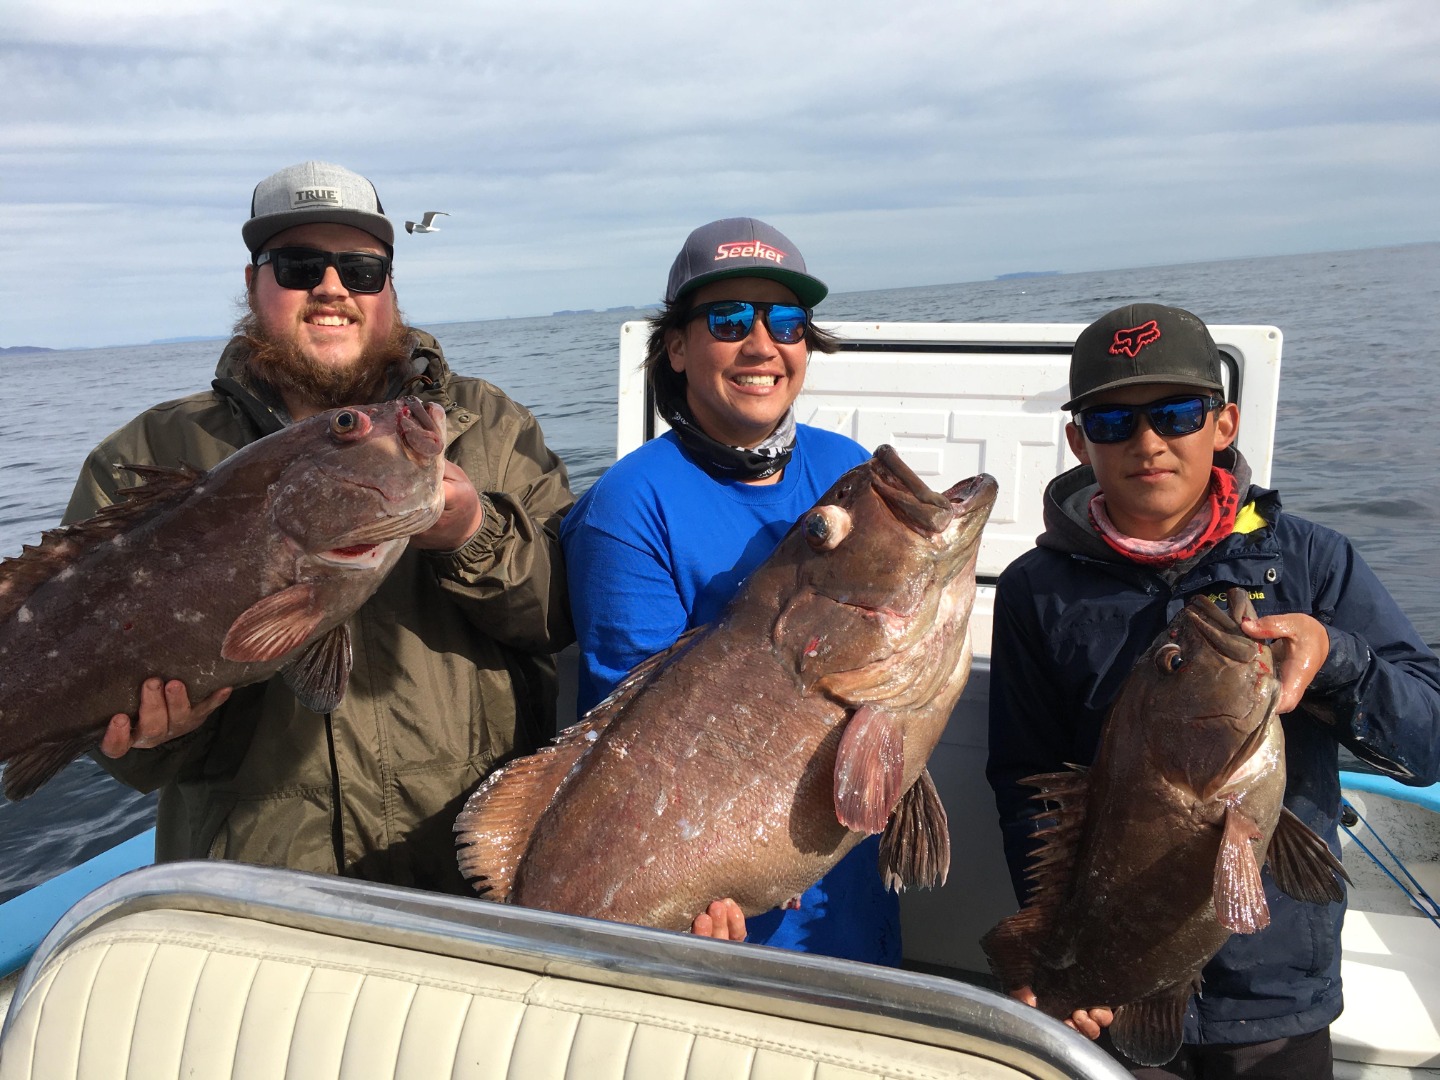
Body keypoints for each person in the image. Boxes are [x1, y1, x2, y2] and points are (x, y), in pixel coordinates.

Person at [65, 161, 575, 895]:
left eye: (362, 269)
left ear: (390, 290)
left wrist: (474, 532)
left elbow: (565, 611)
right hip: (261, 899)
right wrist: (144, 738)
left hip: (474, 880)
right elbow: (107, 723)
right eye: (300, 266)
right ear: (252, 285)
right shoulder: (145, 458)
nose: (331, 288)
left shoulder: (489, 424)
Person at [986, 302, 1440, 1076]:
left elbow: (1427, 743)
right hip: (1119, 1004)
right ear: (1076, 441)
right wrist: (1062, 951)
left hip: (1273, 994)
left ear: (1223, 424)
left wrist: (1341, 662)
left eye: (1176, 413)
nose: (1148, 442)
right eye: (1111, 422)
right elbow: (1030, 783)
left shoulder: (1313, 562)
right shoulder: (1035, 589)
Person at [559, 217, 902, 959]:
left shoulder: (847, 468)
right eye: (728, 319)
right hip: (724, 920)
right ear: (677, 347)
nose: (762, 344)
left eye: (786, 321)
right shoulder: (631, 504)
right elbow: (629, 733)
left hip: (850, 896)